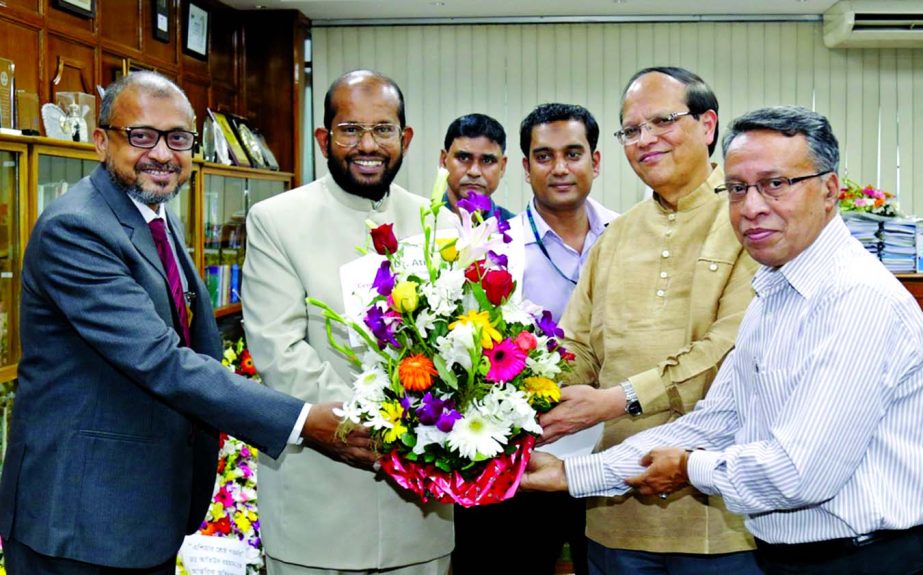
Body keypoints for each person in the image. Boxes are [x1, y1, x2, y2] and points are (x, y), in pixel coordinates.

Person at [523, 105, 923, 575]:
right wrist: (571, 473)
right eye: (737, 189)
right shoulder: (774, 292)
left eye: (776, 184)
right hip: (794, 557)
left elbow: (798, 474)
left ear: (830, 190)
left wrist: (688, 467)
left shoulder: (855, 297)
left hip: (864, 559)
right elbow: (717, 420)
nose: (752, 207)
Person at [0, 71, 366, 574]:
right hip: (80, 521)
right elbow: (160, 359)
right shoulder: (76, 228)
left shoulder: (152, 211)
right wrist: (304, 420)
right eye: (142, 136)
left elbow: (193, 342)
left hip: (138, 512)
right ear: (102, 141)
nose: (163, 153)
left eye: (178, 138)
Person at [536, 67, 761, 574]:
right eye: (631, 130)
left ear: (708, 126)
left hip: (720, 518)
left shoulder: (750, 219)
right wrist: (515, 396)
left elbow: (732, 350)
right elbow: (576, 345)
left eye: (662, 121)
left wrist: (614, 400)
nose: (645, 139)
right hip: (615, 509)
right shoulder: (614, 235)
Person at [241, 70, 454, 575]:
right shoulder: (277, 219)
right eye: (349, 130)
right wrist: (381, 423)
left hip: (418, 506)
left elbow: (459, 343)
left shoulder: (440, 223)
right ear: (323, 139)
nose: (368, 145)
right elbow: (279, 350)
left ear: (405, 139)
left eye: (383, 130)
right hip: (318, 502)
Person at [451, 103, 615, 575]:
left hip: (612, 460)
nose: (560, 168)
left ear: (596, 162)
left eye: (573, 153)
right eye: (544, 156)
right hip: (523, 463)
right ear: (524, 168)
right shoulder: (491, 247)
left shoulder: (630, 235)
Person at [439, 113, 514, 220]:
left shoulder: (516, 231)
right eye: (464, 158)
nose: (474, 172)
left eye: (487, 160)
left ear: (502, 167)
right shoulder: (418, 224)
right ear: (443, 160)